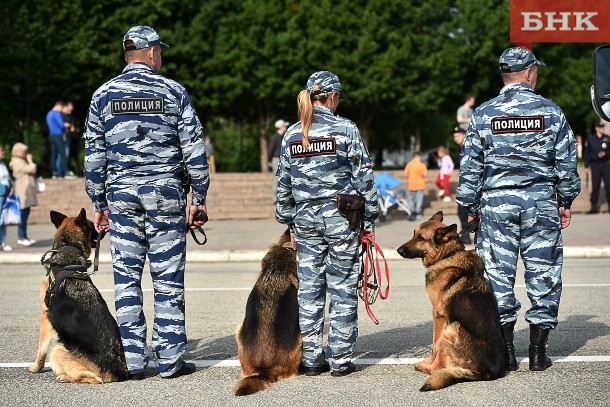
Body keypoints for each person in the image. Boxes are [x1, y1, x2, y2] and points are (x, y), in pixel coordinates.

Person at [84, 25, 210, 380]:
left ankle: (134, 362)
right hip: (165, 195)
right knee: (167, 278)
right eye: (160, 51)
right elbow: (195, 151)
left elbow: (93, 156)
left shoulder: (103, 95)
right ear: (152, 52)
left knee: (126, 279)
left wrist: (98, 202)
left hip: (120, 198)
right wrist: (198, 198)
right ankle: (170, 361)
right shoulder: (173, 91)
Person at [456, 46, 581, 372]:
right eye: (535, 71)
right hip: (540, 204)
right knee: (545, 275)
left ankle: (508, 353)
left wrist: (470, 207)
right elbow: (567, 163)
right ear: (528, 73)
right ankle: (538, 354)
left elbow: (470, 167)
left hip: (496, 207)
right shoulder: (551, 112)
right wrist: (565, 200)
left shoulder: (483, 113)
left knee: (497, 277)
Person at [275, 71, 379, 377]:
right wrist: (370, 217)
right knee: (343, 285)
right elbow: (363, 177)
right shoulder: (345, 128)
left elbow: (282, 184)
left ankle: (311, 360)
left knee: (309, 288)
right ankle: (340, 360)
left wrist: (286, 218)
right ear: (332, 97)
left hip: (305, 221)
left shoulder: (293, 133)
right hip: (341, 220)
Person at [8, 142, 38, 247]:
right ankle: (21, 237)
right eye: (25, 152)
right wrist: (30, 161)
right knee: (22, 215)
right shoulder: (17, 162)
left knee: (25, 214)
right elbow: (32, 169)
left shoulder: (20, 161)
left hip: (25, 191)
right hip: (22, 191)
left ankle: (24, 237)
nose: (27, 153)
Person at [584, 121, 610, 214]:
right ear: (596, 128)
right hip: (595, 165)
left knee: (609, 186)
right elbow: (587, 153)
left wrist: (605, 153)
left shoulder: (607, 138)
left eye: (603, 127)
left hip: (606, 164)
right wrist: (586, 166)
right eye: (600, 127)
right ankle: (593, 208)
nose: (602, 129)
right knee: (595, 187)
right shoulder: (591, 139)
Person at [452, 127, 471, 244]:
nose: (456, 138)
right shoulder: (463, 148)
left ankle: (466, 235)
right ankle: (465, 234)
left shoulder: (469, 147)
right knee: (462, 211)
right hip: (465, 183)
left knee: (463, 210)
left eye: (458, 136)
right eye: (454, 137)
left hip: (469, 184)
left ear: (464, 135)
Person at [268, 119, 289, 204]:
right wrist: (269, 160)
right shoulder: (274, 137)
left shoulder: (285, 137)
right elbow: (271, 149)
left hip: (284, 159)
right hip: (276, 159)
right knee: (276, 178)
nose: (286, 127)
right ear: (281, 127)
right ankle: (275, 197)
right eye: (284, 126)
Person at [46, 100, 68, 179]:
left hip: (51, 136)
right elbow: (61, 125)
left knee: (53, 154)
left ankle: (54, 173)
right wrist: (65, 127)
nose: (61, 110)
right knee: (62, 154)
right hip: (58, 135)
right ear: (59, 106)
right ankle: (65, 172)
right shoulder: (56, 114)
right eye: (61, 108)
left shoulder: (48, 114)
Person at [403, 151, 427, 221]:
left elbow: (406, 174)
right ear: (419, 157)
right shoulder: (422, 165)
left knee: (410, 198)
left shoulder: (409, 164)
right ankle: (418, 212)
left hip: (412, 184)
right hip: (420, 184)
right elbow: (425, 174)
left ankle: (412, 210)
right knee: (419, 198)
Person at [0, 146, 13, 252]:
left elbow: (7, 179)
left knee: (3, 220)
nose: (3, 152)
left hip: (5, 195)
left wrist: (11, 187)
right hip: (1, 194)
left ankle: (2, 242)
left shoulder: (3, 164)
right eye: (1, 151)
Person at [61, 101, 79, 178]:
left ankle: (66, 171)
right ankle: (62, 172)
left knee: (67, 154)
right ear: (65, 107)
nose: (70, 111)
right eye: (69, 109)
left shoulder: (70, 115)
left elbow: (72, 125)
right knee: (63, 154)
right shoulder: (60, 115)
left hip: (69, 136)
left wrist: (72, 127)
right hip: (62, 136)